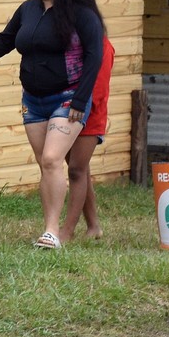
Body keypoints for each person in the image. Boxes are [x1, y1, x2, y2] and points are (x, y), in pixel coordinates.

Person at [0, 0, 105, 249]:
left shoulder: (81, 14)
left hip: (68, 97)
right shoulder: (28, 9)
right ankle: (49, 227)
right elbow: (5, 41)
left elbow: (94, 56)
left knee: (51, 159)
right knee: (45, 164)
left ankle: (51, 231)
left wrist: (79, 100)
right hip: (33, 101)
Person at [63, 35, 115, 242]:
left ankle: (67, 230)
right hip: (66, 111)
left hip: (90, 115)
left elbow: (99, 89)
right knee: (80, 170)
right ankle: (94, 226)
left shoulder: (101, 45)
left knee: (77, 169)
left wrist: (80, 109)